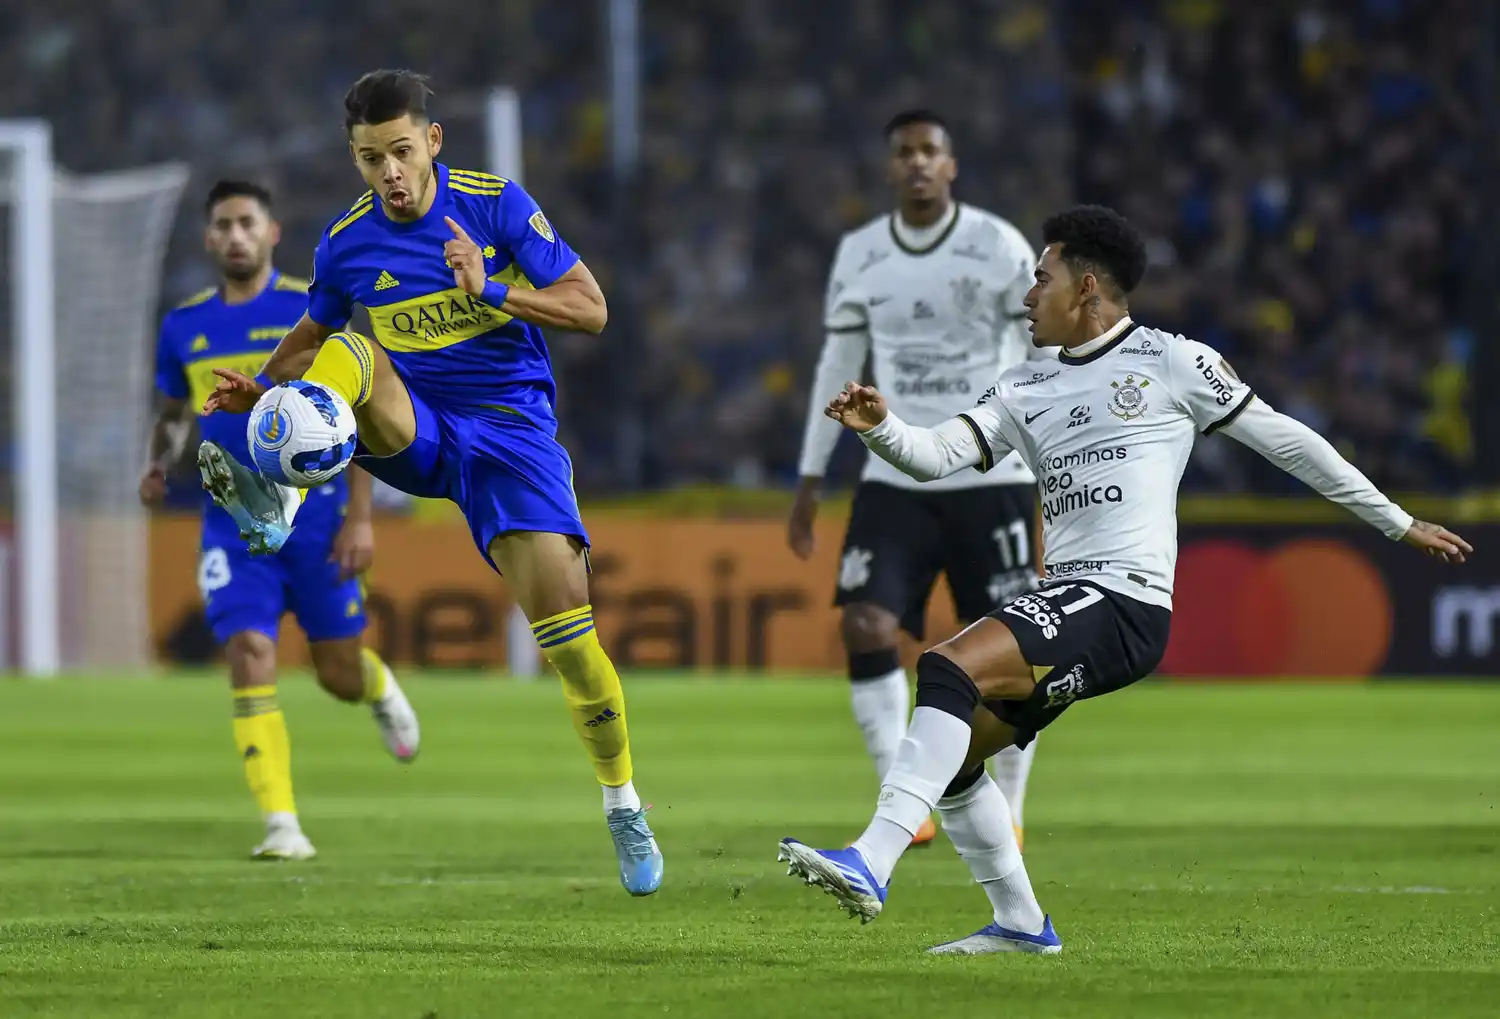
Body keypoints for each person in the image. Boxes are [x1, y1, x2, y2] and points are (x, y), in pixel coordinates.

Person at [778, 205, 1472, 953]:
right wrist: (882, 428)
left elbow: (1288, 442)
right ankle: (1021, 924)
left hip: (1125, 600)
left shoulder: (1172, 361)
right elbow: (937, 455)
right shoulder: (1022, 386)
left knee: (948, 666)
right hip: (1070, 596)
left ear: (1085, 287)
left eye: (1040, 280)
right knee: (953, 756)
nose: (1026, 297)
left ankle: (871, 860)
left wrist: (1396, 521)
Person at [195, 71, 663, 896]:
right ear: (355, 157)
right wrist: (263, 388)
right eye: (370, 158)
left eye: (402, 152)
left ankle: (622, 802)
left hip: (512, 437)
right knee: (353, 351)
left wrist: (493, 289)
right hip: (417, 426)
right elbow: (312, 332)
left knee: (572, 647)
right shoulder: (346, 242)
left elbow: (591, 309)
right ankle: (279, 487)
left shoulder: (495, 204)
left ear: (433, 142)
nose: (389, 173)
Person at [789, 110, 1050, 848]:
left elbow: (1042, 356)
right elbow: (837, 369)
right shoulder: (862, 254)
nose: (917, 162)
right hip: (895, 474)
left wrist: (1051, 455)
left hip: (990, 473)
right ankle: (906, 804)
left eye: (929, 150)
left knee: (1013, 651)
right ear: (889, 167)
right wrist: (811, 474)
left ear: (951, 164)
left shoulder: (997, 246)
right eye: (904, 152)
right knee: (864, 623)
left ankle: (1009, 805)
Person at [142, 179, 419, 862]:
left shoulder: (311, 310)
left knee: (337, 674)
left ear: (271, 233)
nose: (235, 235)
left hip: (319, 522)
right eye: (223, 225)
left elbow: (353, 414)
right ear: (208, 239)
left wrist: (361, 518)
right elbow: (174, 414)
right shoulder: (183, 327)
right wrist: (157, 463)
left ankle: (376, 686)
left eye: (247, 222)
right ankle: (281, 823)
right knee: (249, 651)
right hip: (232, 523)